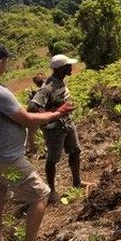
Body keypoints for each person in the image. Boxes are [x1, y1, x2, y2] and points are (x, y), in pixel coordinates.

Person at [0, 44, 74, 241]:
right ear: (0, 62)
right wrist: (58, 113)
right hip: (6, 158)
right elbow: (29, 119)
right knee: (40, 195)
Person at [28, 54, 86, 204]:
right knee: (53, 159)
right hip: (54, 128)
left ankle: (77, 182)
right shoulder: (47, 87)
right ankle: (52, 191)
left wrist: (61, 110)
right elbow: (33, 107)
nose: (71, 67)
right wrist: (51, 116)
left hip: (66, 122)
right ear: (61, 68)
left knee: (75, 150)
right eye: (68, 65)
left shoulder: (60, 81)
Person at [26, 73, 46, 155]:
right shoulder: (46, 89)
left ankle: (31, 149)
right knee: (45, 130)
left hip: (33, 110)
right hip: (39, 110)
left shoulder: (37, 92)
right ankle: (45, 148)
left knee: (31, 132)